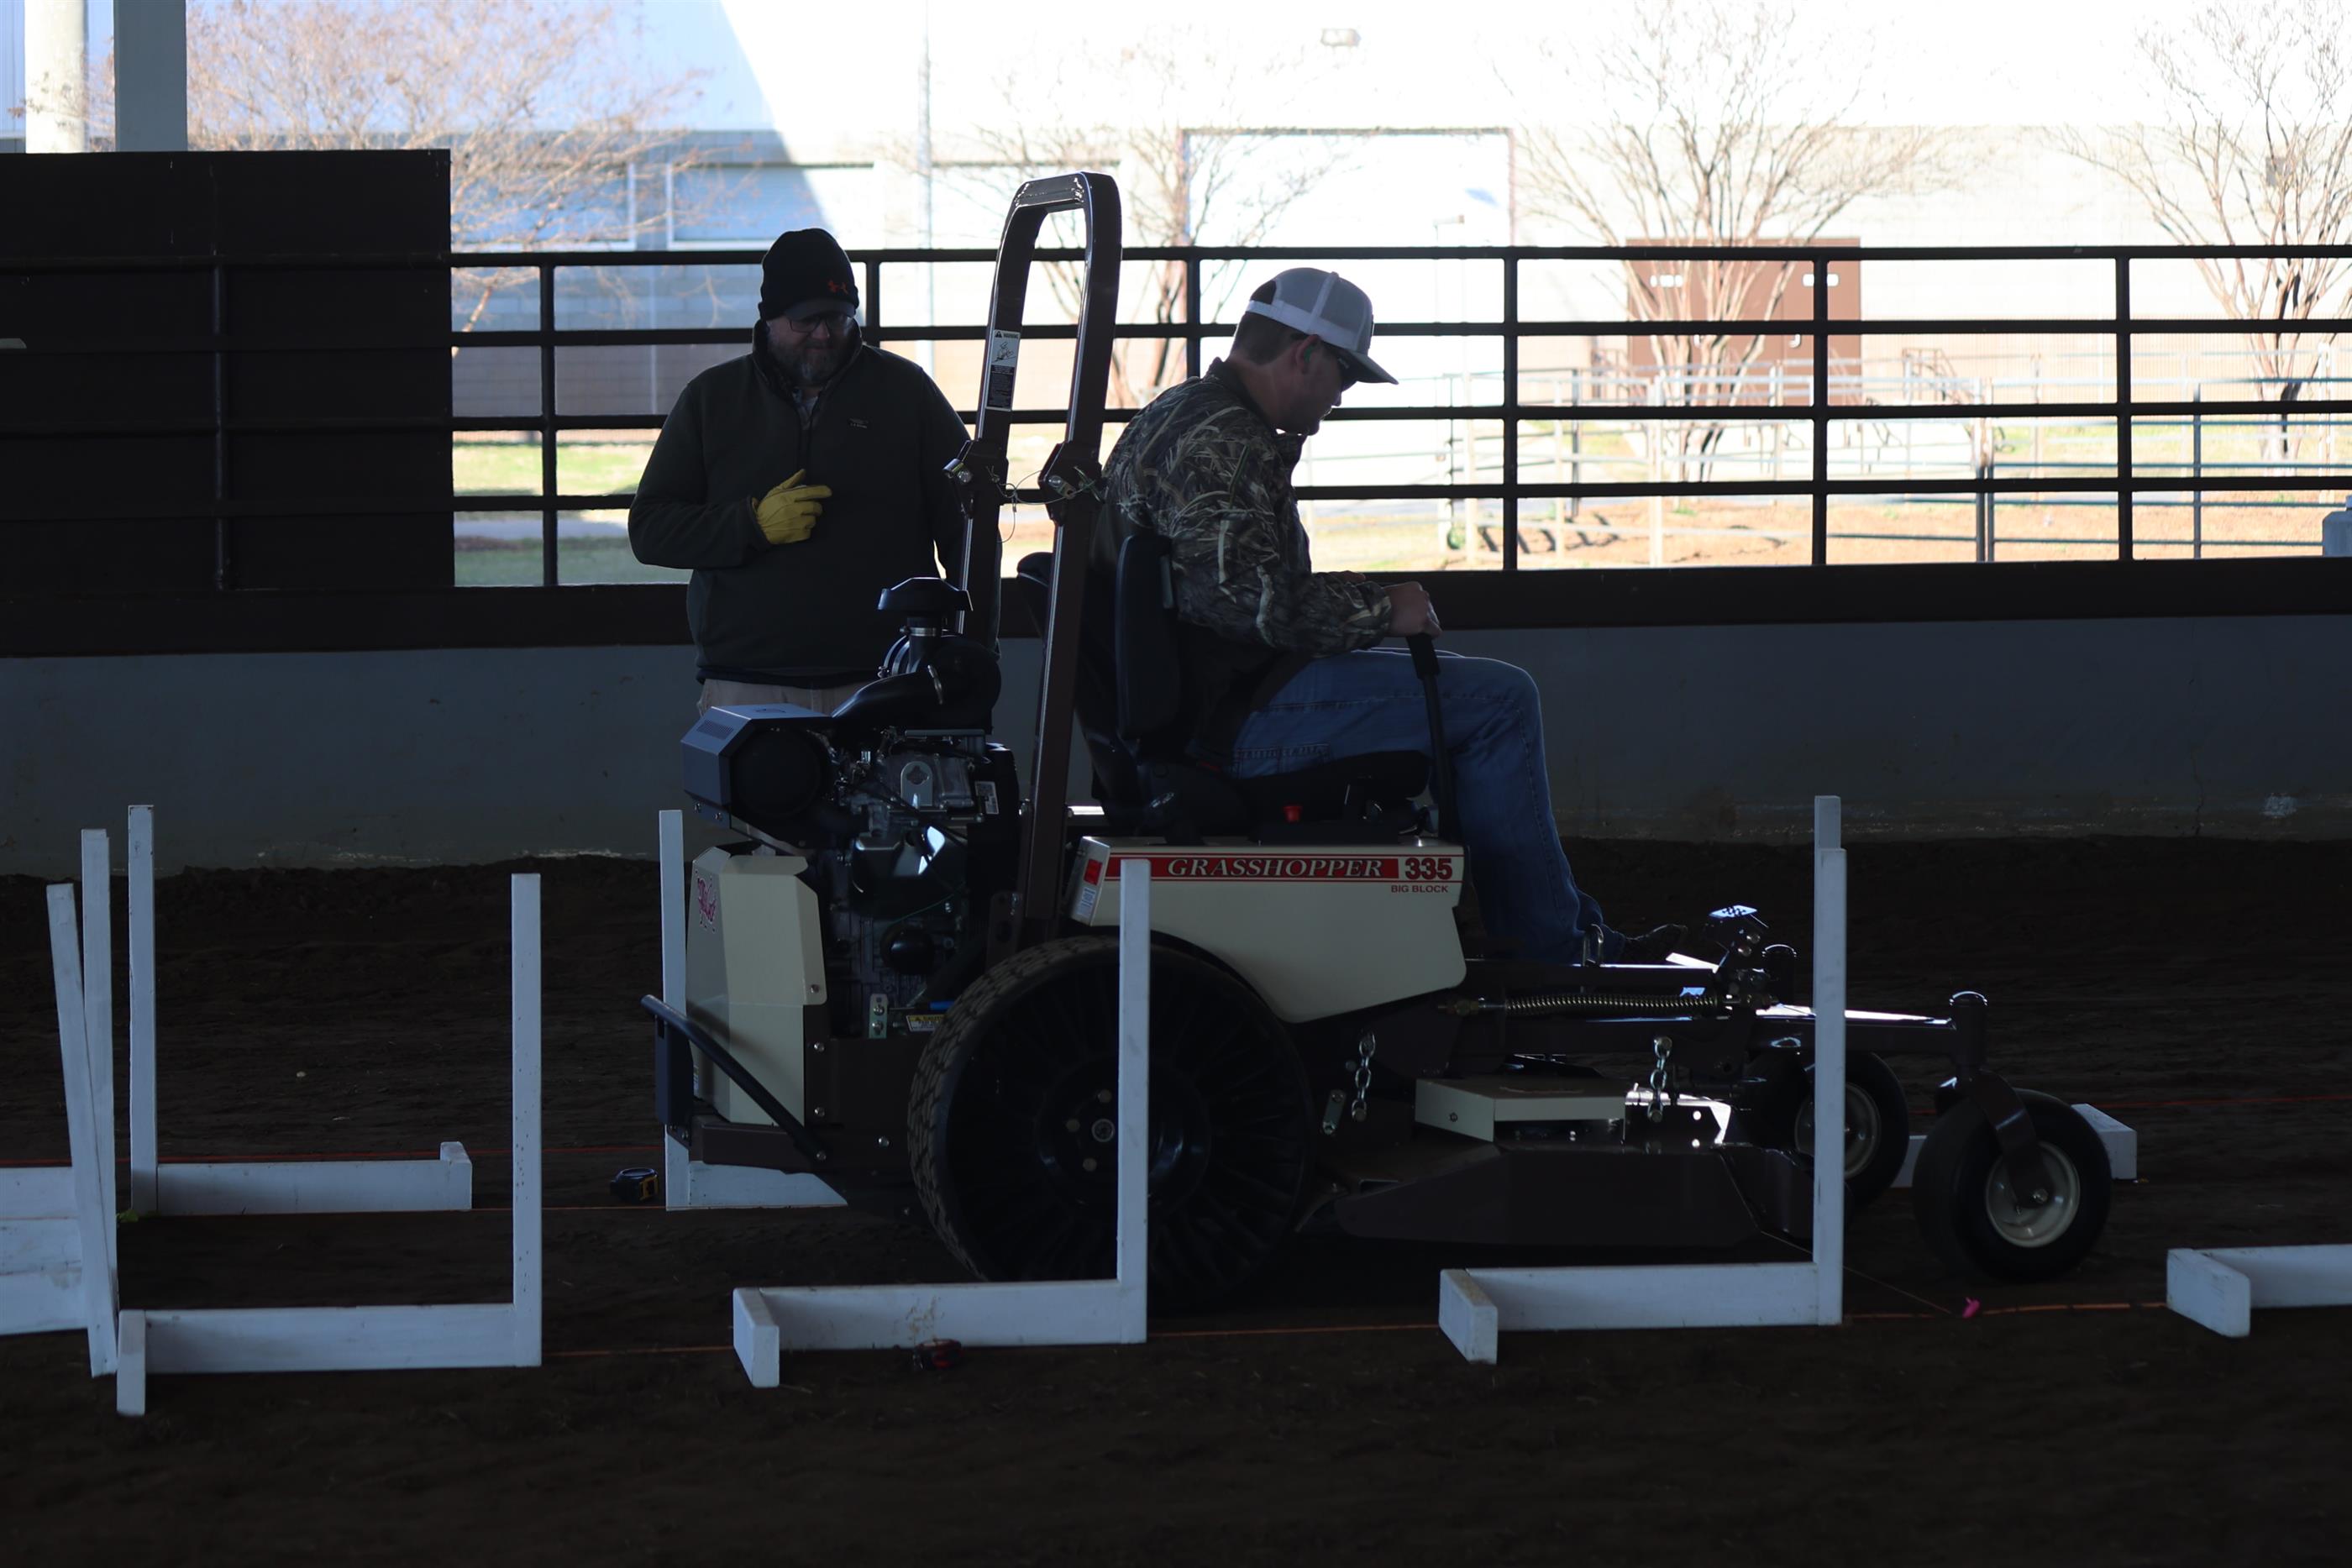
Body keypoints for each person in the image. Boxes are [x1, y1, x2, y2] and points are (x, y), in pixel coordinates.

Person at [1098, 267, 1656, 964]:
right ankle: (1554, 949)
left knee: (1471, 690)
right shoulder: (1227, 441)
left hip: (1201, 701)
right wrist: (1383, 606)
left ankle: (1543, 929)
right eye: (1345, 373)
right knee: (1500, 701)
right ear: (1305, 353)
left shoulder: (1174, 413)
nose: (1341, 396)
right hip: (1231, 719)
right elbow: (1243, 597)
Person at [629, 228, 969, 714]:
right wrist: (752, 524)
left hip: (886, 677)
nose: (824, 335)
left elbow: (967, 525)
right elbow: (650, 531)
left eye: (838, 318)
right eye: (806, 320)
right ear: (769, 317)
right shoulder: (713, 399)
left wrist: (972, 646)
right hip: (747, 680)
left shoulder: (906, 392)